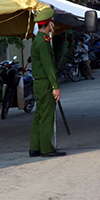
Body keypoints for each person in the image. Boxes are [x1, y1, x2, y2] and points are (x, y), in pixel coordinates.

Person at [29, 8, 66, 157]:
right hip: (45, 84)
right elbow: (49, 67)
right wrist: (55, 87)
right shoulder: (43, 43)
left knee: (39, 115)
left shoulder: (36, 41)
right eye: (52, 22)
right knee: (46, 116)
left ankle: (35, 147)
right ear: (50, 24)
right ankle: (46, 148)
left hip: (38, 83)